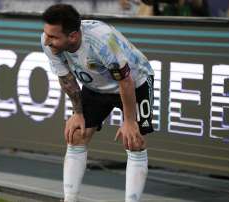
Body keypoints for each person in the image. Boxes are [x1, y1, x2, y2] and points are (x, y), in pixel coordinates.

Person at [41, 4, 154, 202]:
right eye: (46, 34)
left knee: (134, 141)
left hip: (135, 83)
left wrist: (129, 121)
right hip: (95, 86)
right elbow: (66, 78)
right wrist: (77, 113)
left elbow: (125, 81)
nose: (46, 40)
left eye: (53, 37)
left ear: (73, 36)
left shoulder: (102, 41)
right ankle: (70, 199)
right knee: (77, 134)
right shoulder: (48, 42)